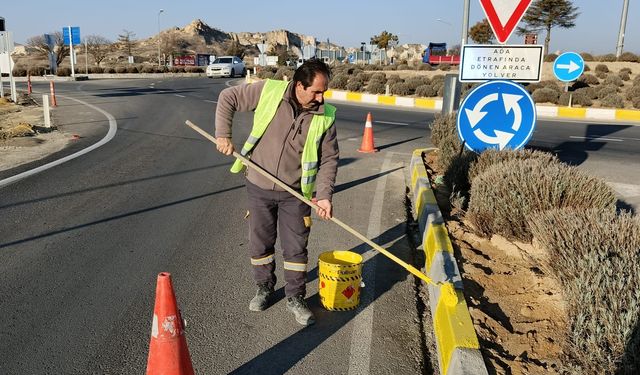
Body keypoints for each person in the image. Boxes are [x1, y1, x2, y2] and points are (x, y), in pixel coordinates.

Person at [214, 59, 339, 326]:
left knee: (296, 248)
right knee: (260, 242)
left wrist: (325, 195)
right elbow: (228, 97)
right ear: (298, 85)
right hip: (259, 185)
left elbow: (329, 159)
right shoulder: (268, 91)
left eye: (324, 91)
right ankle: (264, 288)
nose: (321, 97)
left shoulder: (325, 115)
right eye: (316, 91)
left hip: (296, 194)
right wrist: (223, 134)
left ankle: (296, 297)